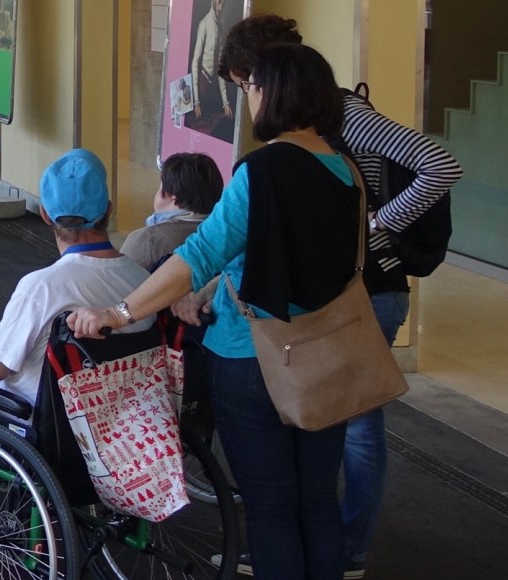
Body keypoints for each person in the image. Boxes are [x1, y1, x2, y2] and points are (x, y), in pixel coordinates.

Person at [69, 44, 363, 580]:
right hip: (328, 355)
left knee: (272, 509)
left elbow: (198, 255)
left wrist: (119, 310)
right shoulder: (345, 170)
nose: (247, 98)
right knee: (317, 502)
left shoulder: (261, 171)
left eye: (251, 88)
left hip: (255, 356)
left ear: (273, 95)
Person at [211, 15, 464, 579]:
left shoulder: (344, 114)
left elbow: (440, 165)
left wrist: (371, 225)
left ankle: (348, 549)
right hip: (337, 288)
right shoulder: (299, 132)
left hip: (365, 288)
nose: (245, 100)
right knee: (327, 432)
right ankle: (318, 547)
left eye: (244, 85)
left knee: (354, 425)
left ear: (267, 77)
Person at [0, 149, 154, 432]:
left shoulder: (42, 287)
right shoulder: (144, 283)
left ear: (45, 215)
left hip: (40, 423)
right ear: (109, 210)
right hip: (117, 420)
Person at [121, 152, 223, 271]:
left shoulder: (148, 239)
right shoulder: (225, 234)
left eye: (160, 188)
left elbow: (119, 284)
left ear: (172, 195)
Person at [190, 0, 231, 130]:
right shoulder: (204, 24)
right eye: (219, 2)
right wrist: (196, 101)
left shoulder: (220, 29)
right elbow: (195, 61)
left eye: (223, 2)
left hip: (213, 87)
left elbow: (220, 66)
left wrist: (226, 103)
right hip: (201, 82)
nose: (221, 5)